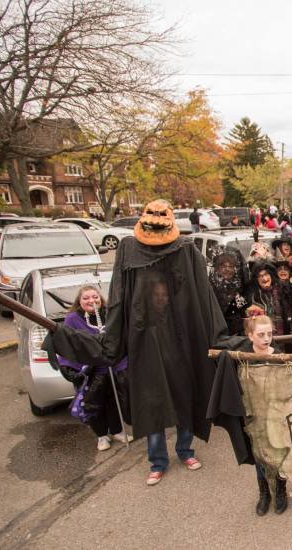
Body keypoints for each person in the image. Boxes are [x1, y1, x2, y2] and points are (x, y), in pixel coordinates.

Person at [45, 199, 231, 486]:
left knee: (185, 396)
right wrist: (114, 337)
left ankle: (185, 450)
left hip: (179, 339)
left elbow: (203, 298)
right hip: (144, 340)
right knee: (151, 402)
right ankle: (157, 461)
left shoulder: (185, 250)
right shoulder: (129, 249)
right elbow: (118, 297)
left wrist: (217, 338)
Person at [57, 286, 131, 451]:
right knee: (94, 405)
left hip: (112, 370)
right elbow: (68, 344)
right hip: (91, 373)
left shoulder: (110, 314)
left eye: (95, 297)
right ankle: (101, 436)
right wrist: (68, 367)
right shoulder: (72, 319)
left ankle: (117, 431)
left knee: (114, 402)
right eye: (86, 298)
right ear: (79, 301)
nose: (92, 301)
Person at [238, 314, 289, 516]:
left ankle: (280, 492)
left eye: (269, 334)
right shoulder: (241, 357)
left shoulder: (278, 356)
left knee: (278, 453)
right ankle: (264, 493)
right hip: (254, 416)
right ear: (250, 336)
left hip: (275, 415)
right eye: (261, 334)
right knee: (259, 454)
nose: (266, 338)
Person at [245, 261, 292, 338]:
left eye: (266, 274)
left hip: (283, 335)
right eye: (260, 276)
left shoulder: (283, 289)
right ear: (256, 279)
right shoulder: (253, 295)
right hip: (261, 336)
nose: (264, 278)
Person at [209, 246, 249, 336]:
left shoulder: (238, 289)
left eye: (230, 266)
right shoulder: (211, 289)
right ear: (217, 269)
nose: (227, 269)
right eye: (223, 266)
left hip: (237, 336)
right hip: (217, 334)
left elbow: (243, 312)